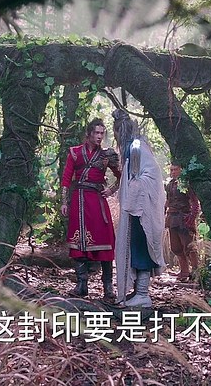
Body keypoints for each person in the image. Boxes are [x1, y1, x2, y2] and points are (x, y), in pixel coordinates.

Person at [60, 118, 121, 300]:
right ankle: (81, 285)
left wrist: (111, 190)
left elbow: (121, 175)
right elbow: (66, 179)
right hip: (79, 200)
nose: (99, 136)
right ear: (89, 134)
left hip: (97, 201)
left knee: (105, 240)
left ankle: (108, 287)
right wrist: (64, 202)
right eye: (96, 133)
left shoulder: (107, 155)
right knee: (78, 241)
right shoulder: (75, 153)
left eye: (102, 133)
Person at [112, 109, 166, 308]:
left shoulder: (135, 147)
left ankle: (143, 294)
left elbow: (147, 174)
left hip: (141, 209)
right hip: (136, 207)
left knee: (140, 247)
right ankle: (138, 291)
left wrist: (135, 190)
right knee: (135, 247)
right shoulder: (132, 147)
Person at [165, 163, 200, 283]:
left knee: (189, 246)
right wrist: (163, 212)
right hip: (172, 218)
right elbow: (168, 201)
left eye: (175, 169)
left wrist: (192, 217)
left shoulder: (186, 184)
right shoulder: (169, 185)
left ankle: (196, 272)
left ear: (181, 170)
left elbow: (194, 202)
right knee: (176, 247)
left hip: (184, 218)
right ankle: (184, 271)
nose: (173, 172)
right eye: (171, 170)